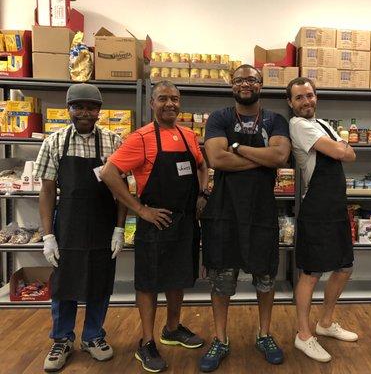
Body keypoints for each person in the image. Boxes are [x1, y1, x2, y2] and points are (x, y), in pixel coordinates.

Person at [100, 81, 208, 373]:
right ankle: (146, 342)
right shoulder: (141, 138)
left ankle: (172, 329)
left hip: (185, 222)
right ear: (152, 103)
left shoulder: (188, 135)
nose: (169, 104)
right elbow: (110, 173)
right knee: (148, 283)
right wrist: (139, 209)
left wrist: (202, 192)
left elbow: (202, 165)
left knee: (178, 278)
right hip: (156, 222)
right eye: (163, 99)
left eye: (174, 98)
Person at [198, 64, 291, 372]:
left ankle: (264, 335)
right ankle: (220, 339)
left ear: (261, 84)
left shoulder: (276, 119)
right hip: (224, 212)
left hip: (262, 211)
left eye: (251, 79)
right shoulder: (220, 117)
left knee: (265, 278)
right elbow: (216, 159)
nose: (245, 84)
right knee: (222, 280)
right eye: (239, 80)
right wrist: (260, 157)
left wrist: (237, 147)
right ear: (231, 85)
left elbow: (280, 157)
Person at [35, 83, 127, 372]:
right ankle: (61, 339)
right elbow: (47, 191)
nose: (85, 112)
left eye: (91, 107)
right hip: (68, 227)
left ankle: (93, 336)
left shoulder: (115, 142)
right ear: (69, 109)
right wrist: (48, 235)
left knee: (100, 282)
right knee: (65, 284)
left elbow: (123, 192)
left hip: (103, 225)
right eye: (79, 106)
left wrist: (120, 229)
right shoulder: (54, 142)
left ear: (99, 111)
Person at [287, 77, 358, 363]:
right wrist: (341, 146)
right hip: (316, 207)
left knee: (344, 267)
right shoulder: (299, 125)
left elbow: (349, 154)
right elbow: (344, 151)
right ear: (291, 103)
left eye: (310, 95)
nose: (307, 101)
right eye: (300, 98)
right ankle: (304, 335)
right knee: (311, 273)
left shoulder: (322, 124)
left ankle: (325, 323)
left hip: (336, 206)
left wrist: (341, 147)